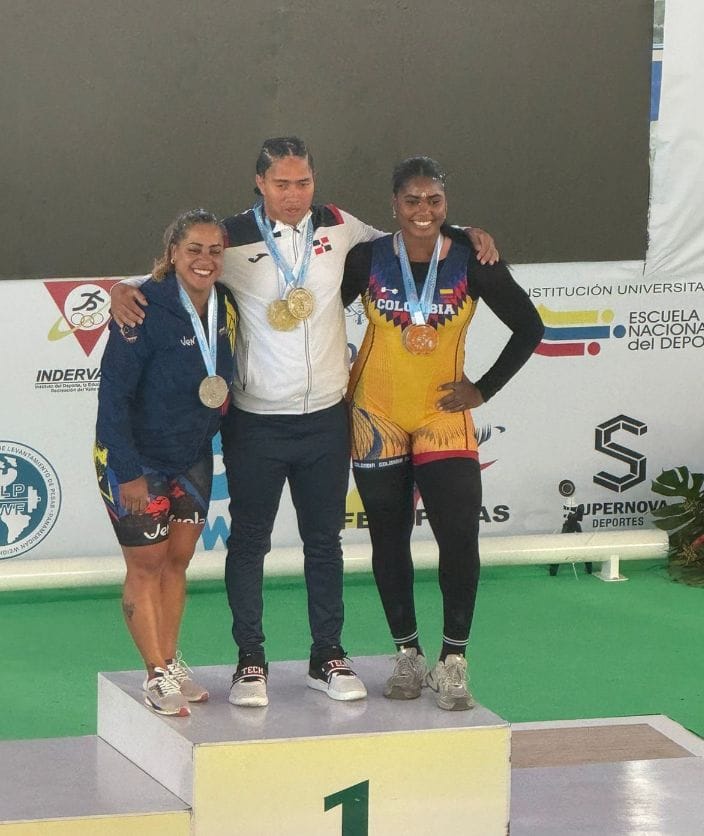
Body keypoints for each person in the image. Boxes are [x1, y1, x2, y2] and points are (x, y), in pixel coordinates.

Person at [110, 137, 498, 709]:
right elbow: (182, 270)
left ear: (315, 182)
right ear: (259, 184)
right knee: (249, 544)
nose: (294, 195)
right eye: (281, 184)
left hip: (326, 420)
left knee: (324, 544)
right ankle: (250, 662)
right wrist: (122, 289)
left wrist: (466, 234)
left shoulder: (340, 225)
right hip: (256, 421)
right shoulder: (232, 237)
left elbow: (412, 233)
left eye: (303, 183)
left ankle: (327, 657)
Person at [341, 156, 544, 710]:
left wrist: (483, 389)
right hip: (375, 417)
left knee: (458, 538)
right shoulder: (366, 259)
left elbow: (530, 326)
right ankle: (407, 653)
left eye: (434, 200)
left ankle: (453, 660)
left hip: (442, 417)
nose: (423, 210)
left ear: (445, 204)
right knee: (388, 539)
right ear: (394, 205)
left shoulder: (473, 259)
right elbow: (318, 317)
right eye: (412, 200)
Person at [95, 209, 237, 716]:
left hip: (191, 457)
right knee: (145, 564)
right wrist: (128, 472)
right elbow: (113, 398)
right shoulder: (141, 307)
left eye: (214, 251)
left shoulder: (226, 303)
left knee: (177, 561)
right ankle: (154, 673)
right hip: (137, 461)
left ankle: (170, 661)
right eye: (193, 249)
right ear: (173, 252)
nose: (204, 259)